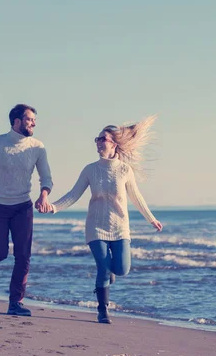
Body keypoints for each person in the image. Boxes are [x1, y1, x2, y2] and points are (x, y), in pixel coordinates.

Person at [46, 115, 162, 324]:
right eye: (97, 139)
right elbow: (74, 194)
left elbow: (136, 197)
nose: (99, 142)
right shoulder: (90, 169)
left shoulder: (125, 170)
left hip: (120, 228)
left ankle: (109, 276)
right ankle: (103, 310)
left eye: (103, 139)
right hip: (96, 227)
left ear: (114, 145)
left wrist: (151, 219)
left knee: (122, 269)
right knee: (103, 267)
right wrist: (54, 207)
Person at [0, 103, 53, 316]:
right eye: (29, 119)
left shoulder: (37, 146)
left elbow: (46, 177)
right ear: (16, 121)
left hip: (22, 207)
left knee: (23, 256)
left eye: (34, 119)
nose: (34, 123)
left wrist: (43, 195)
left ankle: (15, 303)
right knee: (0, 252)